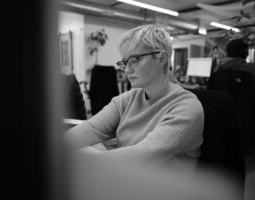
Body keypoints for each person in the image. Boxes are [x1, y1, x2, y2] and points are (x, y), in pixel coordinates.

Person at [65, 24, 204, 172]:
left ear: (162, 59)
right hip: (127, 181)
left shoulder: (186, 107)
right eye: (125, 62)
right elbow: (91, 128)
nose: (127, 69)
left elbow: (143, 156)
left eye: (134, 60)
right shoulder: (127, 99)